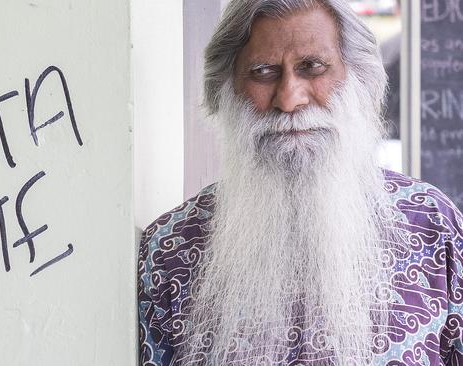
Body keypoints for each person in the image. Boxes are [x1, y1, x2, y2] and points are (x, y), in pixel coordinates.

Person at [137, 0, 463, 365]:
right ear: (225, 90)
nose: (289, 98)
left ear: (359, 78)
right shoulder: (170, 249)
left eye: (313, 67)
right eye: (263, 71)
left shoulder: (433, 225)